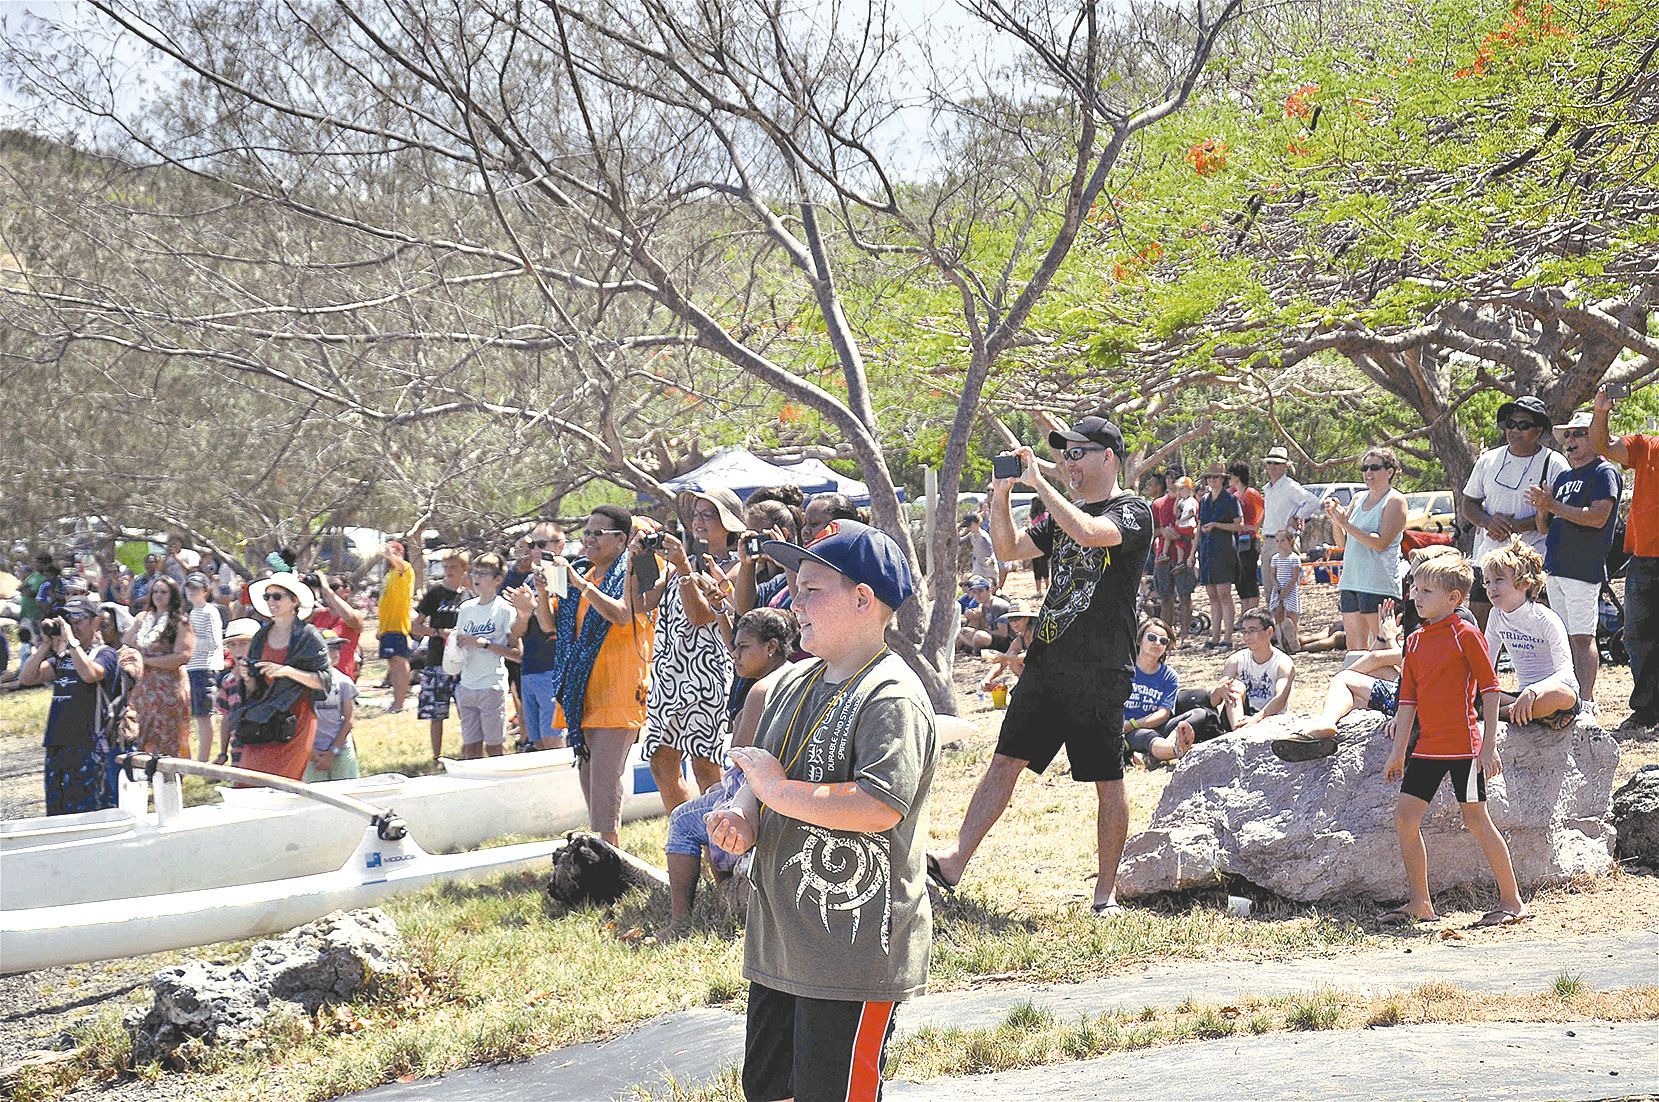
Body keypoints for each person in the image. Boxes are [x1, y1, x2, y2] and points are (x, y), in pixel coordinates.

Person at [704, 521, 936, 1102]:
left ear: (863, 599)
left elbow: (879, 805)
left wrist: (777, 792)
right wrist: (743, 814)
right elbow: (762, 772)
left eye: (811, 590)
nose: (794, 603)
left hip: (852, 955)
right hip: (783, 945)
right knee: (768, 1089)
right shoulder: (792, 684)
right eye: (794, 588)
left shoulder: (890, 694)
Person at [926, 415, 1152, 916]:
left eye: (1077, 453)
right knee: (1004, 761)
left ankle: (1105, 894)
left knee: (1107, 777)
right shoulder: (1061, 515)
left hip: (1100, 668)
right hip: (1047, 663)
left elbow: (1090, 533)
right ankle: (954, 862)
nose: (1068, 462)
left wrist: (1041, 483)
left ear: (1108, 457)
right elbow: (1008, 549)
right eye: (1064, 454)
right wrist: (1002, 494)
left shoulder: (1133, 511)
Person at [1381, 549, 1526, 927]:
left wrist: (1489, 747)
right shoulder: (1414, 640)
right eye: (1415, 589)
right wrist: (1398, 752)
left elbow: (1491, 690)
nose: (1416, 596)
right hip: (1428, 749)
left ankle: (1512, 901)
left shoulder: (1466, 634)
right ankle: (1421, 903)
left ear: (1453, 598)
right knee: (1405, 819)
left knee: (1477, 820)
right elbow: (1407, 701)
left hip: (1465, 750)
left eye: (1425, 591)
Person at [658, 607, 799, 942]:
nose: (735, 655)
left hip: (756, 797)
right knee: (710, 801)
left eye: (744, 647)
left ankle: (680, 920)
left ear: (771, 647)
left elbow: (740, 758)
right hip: (785, 790)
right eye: (734, 647)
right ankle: (729, 893)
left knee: (682, 819)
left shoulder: (761, 690)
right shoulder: (802, 675)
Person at [549, 505, 655, 846]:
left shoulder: (636, 568)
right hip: (582, 695)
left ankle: (610, 856)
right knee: (588, 778)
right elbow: (550, 625)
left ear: (621, 539)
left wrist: (580, 584)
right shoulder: (584, 572)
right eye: (586, 532)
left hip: (619, 693)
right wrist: (538, 595)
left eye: (598, 533)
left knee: (605, 782)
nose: (589, 539)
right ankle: (602, 851)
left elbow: (623, 615)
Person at [644, 488, 746, 811]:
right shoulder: (679, 564)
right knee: (661, 763)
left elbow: (701, 616)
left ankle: (717, 838)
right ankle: (684, 832)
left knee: (705, 766)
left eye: (708, 515)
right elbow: (642, 602)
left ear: (727, 522)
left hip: (707, 673)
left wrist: (685, 570)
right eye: (696, 514)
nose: (698, 521)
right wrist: (639, 559)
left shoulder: (737, 567)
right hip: (668, 673)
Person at [1526, 409, 1621, 705]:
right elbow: (1544, 527)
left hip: (1583, 567)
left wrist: (1552, 504)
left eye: (1579, 433)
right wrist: (1542, 507)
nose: (1570, 439)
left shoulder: (1603, 472)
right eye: (1567, 435)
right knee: (1564, 638)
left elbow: (1598, 517)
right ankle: (1570, 700)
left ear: (1596, 437)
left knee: (1582, 637)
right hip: (1556, 567)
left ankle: (1587, 703)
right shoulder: (1564, 476)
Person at [1460, 396, 1569, 630]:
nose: (1515, 430)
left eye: (1523, 425)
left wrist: (1516, 527)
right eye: (1511, 424)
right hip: (1488, 557)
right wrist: (1489, 522)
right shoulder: (1488, 459)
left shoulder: (1554, 463)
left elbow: (1560, 514)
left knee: (1531, 628)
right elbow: (1468, 504)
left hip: (1532, 560)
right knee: (1482, 625)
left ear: (1538, 431)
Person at [22, 596, 136, 814]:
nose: (73, 627)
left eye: (78, 621)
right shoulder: (63, 658)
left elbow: (89, 674)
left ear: (95, 622)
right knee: (57, 811)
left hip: (88, 744)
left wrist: (71, 641)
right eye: (69, 621)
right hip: (57, 742)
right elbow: (27, 677)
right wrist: (46, 644)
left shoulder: (105, 654)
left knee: (88, 811)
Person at [1590, 384, 1658, 727]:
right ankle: (1647, 710)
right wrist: (1601, 412)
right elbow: (1601, 445)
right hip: (1644, 559)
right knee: (1638, 634)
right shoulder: (1647, 446)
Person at [232, 574, 332, 781]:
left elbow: (323, 682)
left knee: (284, 783)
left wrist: (286, 671)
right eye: (267, 597)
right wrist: (247, 677)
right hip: (263, 718)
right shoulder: (260, 636)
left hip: (296, 718)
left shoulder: (309, 636)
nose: (271, 601)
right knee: (249, 778)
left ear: (294, 601)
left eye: (277, 596)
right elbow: (255, 689)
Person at [1480, 539, 1579, 728]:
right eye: (1487, 582)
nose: (1491, 588)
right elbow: (1485, 666)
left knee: (1559, 695)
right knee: (1474, 691)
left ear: (1525, 583)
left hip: (1551, 693)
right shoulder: (1496, 616)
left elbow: (1566, 673)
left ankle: (1496, 714)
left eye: (1499, 580)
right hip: (1521, 696)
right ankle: (1533, 715)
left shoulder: (1545, 619)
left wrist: (1533, 690)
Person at [1327, 447, 1409, 652]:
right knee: (1355, 647)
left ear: (1389, 472)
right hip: (1351, 580)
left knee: (1383, 644)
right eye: (1364, 468)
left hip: (1378, 583)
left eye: (1374, 467)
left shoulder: (1395, 501)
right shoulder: (1358, 498)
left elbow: (1381, 543)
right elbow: (1343, 543)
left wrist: (1346, 524)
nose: (1368, 473)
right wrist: (1336, 520)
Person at [450, 553, 522, 760]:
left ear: (498, 579)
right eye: (475, 573)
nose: (476, 578)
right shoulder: (465, 608)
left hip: (491, 685)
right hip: (466, 685)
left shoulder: (505, 609)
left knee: (494, 747)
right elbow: (459, 643)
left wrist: (484, 643)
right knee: (470, 748)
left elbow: (517, 654)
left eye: (483, 573)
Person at [124, 575, 192, 756]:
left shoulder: (180, 622)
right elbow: (126, 642)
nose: (158, 596)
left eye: (164, 592)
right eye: (155, 592)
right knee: (140, 732)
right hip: (142, 689)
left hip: (168, 688)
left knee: (167, 736)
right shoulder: (142, 618)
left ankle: (170, 771)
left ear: (173, 595)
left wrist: (147, 661)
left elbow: (183, 656)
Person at [412, 549, 471, 760]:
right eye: (445, 567)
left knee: (467, 710)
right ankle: (436, 756)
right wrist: (438, 632)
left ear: (464, 568)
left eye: (453, 567)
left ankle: (468, 750)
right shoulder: (435, 593)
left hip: (463, 660)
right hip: (437, 658)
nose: (449, 571)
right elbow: (416, 626)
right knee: (436, 712)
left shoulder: (468, 595)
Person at [1122, 618, 1194, 767]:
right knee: (1147, 736)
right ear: (1139, 640)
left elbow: (1164, 713)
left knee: (1198, 714)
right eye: (1151, 638)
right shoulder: (1124, 669)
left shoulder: (1169, 675)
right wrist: (1127, 726)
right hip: (1124, 729)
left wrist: (1135, 723)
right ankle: (1174, 750)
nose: (1157, 643)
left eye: (1163, 641)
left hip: (1151, 725)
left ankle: (1151, 755)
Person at [1258, 446, 1321, 588]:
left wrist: (1297, 516)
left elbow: (1314, 502)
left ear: (1285, 466)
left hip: (1285, 541)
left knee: (1287, 590)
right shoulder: (1267, 488)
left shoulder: (1291, 487)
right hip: (1268, 541)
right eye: (1269, 463)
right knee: (1269, 590)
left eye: (1277, 463)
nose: (1272, 466)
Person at [1197, 464, 1241, 649]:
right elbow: (1199, 527)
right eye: (1210, 477)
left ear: (1223, 479)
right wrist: (1192, 553)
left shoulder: (1230, 499)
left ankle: (1227, 637)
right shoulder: (1204, 500)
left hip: (1223, 550)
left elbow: (1238, 525)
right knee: (1212, 595)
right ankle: (1214, 637)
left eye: (1216, 477)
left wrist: (1216, 525)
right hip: (1206, 551)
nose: (1212, 480)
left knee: (1224, 593)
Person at [305, 636, 361, 781]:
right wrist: (309, 751)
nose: (336, 653)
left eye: (338, 648)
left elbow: (349, 720)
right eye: (330, 648)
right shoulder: (304, 682)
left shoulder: (343, 682)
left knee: (347, 789)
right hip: (311, 750)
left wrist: (332, 752)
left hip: (340, 747)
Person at [183, 573, 225, 761]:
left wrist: (189, 642)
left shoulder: (210, 612)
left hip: (204, 667)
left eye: (196, 588)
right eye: (189, 587)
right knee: (196, 715)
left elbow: (213, 642)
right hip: (191, 667)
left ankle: (203, 760)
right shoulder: (192, 613)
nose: (192, 591)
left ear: (206, 590)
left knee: (204, 715)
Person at [377, 538, 417, 713]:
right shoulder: (389, 574)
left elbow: (400, 563)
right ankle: (396, 699)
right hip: (387, 626)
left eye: (394, 550)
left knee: (399, 661)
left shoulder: (405, 568)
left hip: (398, 625)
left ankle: (399, 702)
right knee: (392, 663)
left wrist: (391, 553)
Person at [215, 617, 260, 764]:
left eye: (243, 643)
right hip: (238, 750)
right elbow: (226, 718)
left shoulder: (266, 676)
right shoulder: (229, 681)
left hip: (263, 748)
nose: (238, 649)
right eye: (232, 645)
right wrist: (222, 753)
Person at [308, 573, 366, 681]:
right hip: (319, 677)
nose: (326, 590)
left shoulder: (355, 615)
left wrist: (327, 589)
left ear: (347, 591)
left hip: (342, 678)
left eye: (334, 587)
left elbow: (350, 617)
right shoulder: (317, 615)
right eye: (323, 586)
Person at [1229, 463, 1265, 611]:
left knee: (1249, 575)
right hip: (1238, 540)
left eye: (1231, 475)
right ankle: (1245, 610)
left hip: (1250, 539)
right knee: (1240, 577)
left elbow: (1265, 508)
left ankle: (1253, 609)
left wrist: (1256, 526)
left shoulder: (1251, 493)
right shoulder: (1234, 495)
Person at [978, 601, 1036, 692]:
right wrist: (987, 679)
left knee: (1012, 658)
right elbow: (1003, 661)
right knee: (1012, 657)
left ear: (1026, 618)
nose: (1014, 623)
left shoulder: (1036, 633)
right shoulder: (1020, 638)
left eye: (1017, 618)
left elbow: (1032, 656)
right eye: (1011, 619)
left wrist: (1006, 657)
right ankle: (1030, 687)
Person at [1266, 529, 1303, 653]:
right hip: (1278, 588)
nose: (1279, 544)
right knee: (1278, 612)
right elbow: (1272, 574)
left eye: (1282, 541)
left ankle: (1293, 639)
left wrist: (1286, 590)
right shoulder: (1275, 558)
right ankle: (1281, 640)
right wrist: (1276, 586)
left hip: (1290, 589)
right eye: (1277, 541)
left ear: (1290, 541)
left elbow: (1295, 576)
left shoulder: (1294, 558)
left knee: (1292, 614)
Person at [956, 576, 1011, 653]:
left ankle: (974, 648)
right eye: (975, 592)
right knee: (963, 631)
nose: (978, 595)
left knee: (979, 636)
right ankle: (974, 647)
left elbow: (1003, 633)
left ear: (989, 590)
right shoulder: (984, 605)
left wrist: (981, 631)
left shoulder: (997, 606)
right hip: (991, 635)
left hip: (1005, 641)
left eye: (981, 591)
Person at [960, 512, 997, 591]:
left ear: (976, 524)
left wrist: (991, 559)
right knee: (975, 586)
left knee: (989, 588)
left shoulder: (983, 536)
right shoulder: (971, 535)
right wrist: (957, 531)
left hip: (988, 567)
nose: (968, 528)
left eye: (970, 525)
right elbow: (959, 541)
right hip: (978, 565)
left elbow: (994, 550)